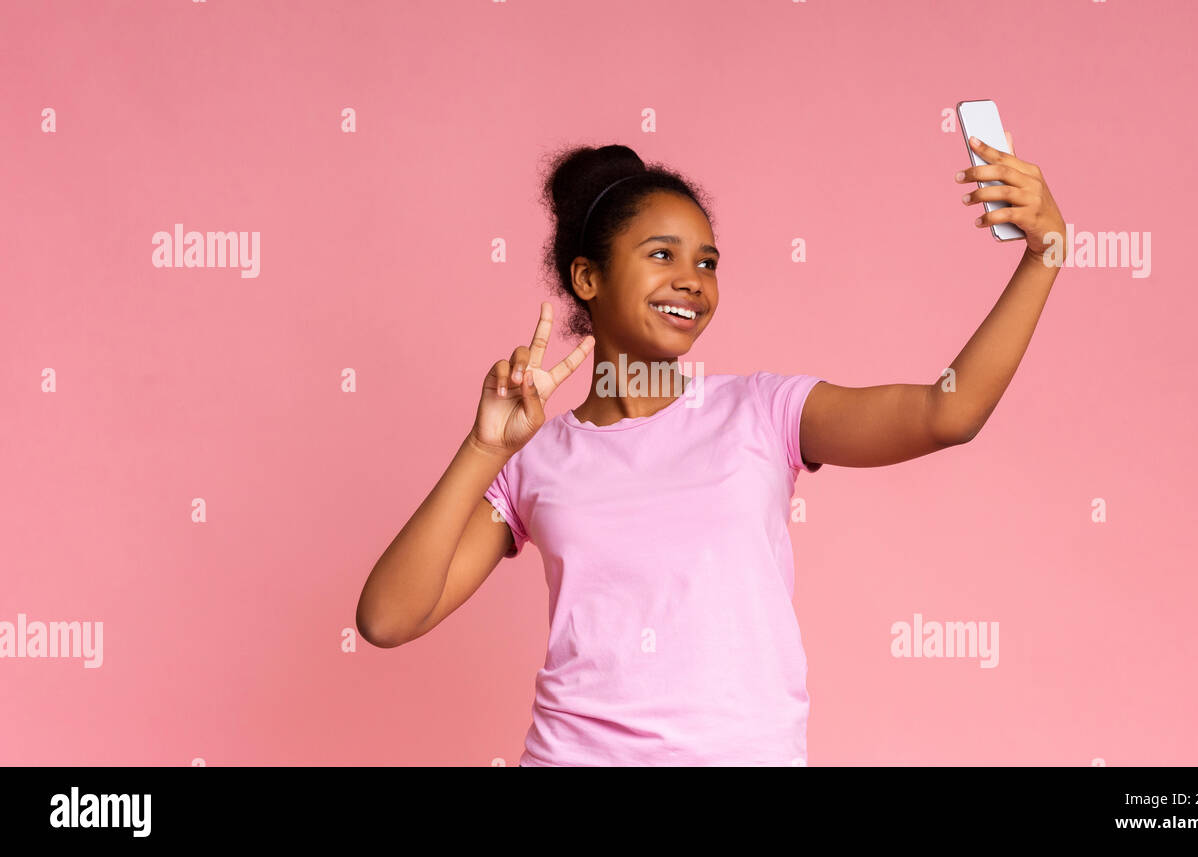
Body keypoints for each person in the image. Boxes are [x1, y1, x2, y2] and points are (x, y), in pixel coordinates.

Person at [355, 139, 1065, 766]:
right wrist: (484, 446)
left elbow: (948, 411)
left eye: (708, 261)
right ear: (586, 279)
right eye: (662, 254)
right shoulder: (534, 456)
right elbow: (387, 619)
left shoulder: (764, 411)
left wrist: (1044, 254)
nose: (694, 279)